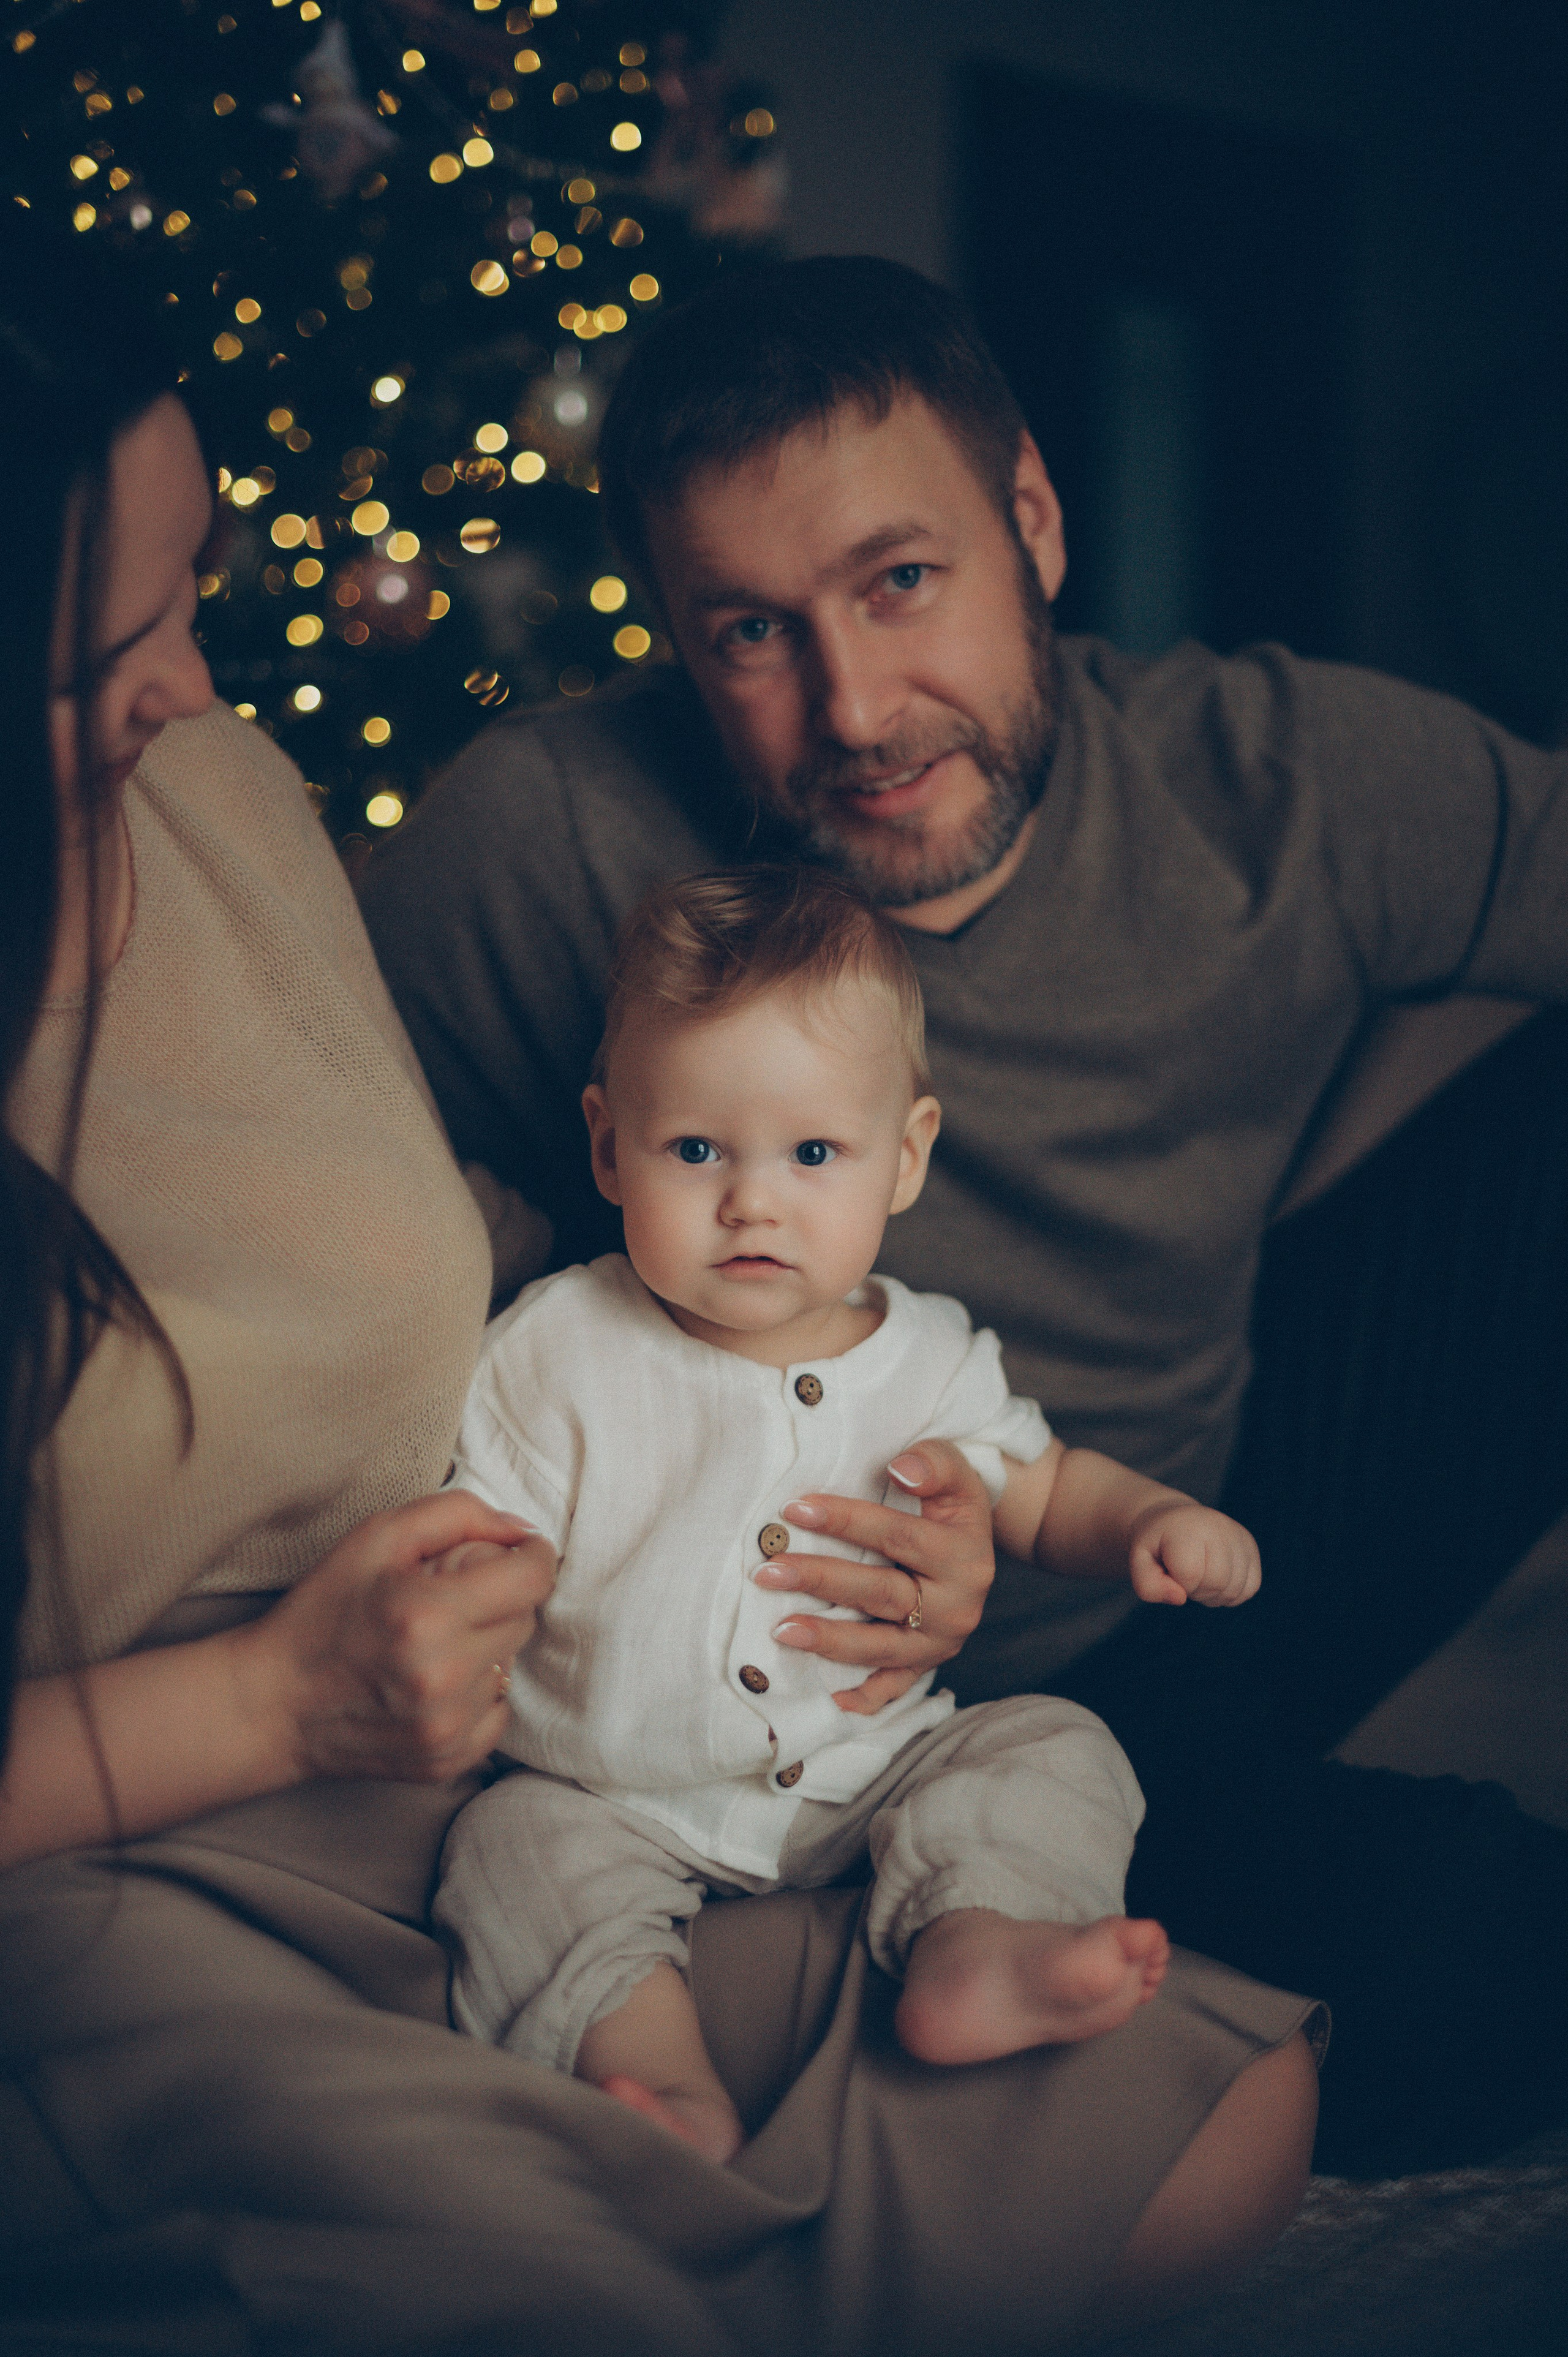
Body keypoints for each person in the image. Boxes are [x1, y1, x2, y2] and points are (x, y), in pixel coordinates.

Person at [1, 221, 1319, 2355]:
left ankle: (694, 2128)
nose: (186, 690)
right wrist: (267, 1702)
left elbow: (442, 1217)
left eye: (194, 595)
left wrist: (934, 1506)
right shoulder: (524, 843)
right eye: (86, 655)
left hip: (550, 1772)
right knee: (580, 2244)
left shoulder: (221, 795)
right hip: (187, 1833)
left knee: (1222, 2102)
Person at [359, 252, 1568, 2181]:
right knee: (1485, 1948)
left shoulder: (1287, 779)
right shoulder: (546, 841)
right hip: (837, 1714)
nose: (855, 706)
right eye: (749, 634)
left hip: (1187, 1529)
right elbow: (316, 1234)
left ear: (1035, 524)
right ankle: (918, 2000)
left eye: (900, 581)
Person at [437, 866, 1273, 2164]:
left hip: (860, 1779)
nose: (752, 1201)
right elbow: (476, 1544)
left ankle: (978, 1942)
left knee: (1054, 1746)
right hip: (605, 1786)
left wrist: (1148, 1520)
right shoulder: (556, 1350)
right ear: (610, 1145)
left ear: (907, 1155)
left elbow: (1040, 1485)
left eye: (812, 1153)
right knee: (503, 1851)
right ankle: (656, 2077)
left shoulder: (928, 1357)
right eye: (695, 1149)